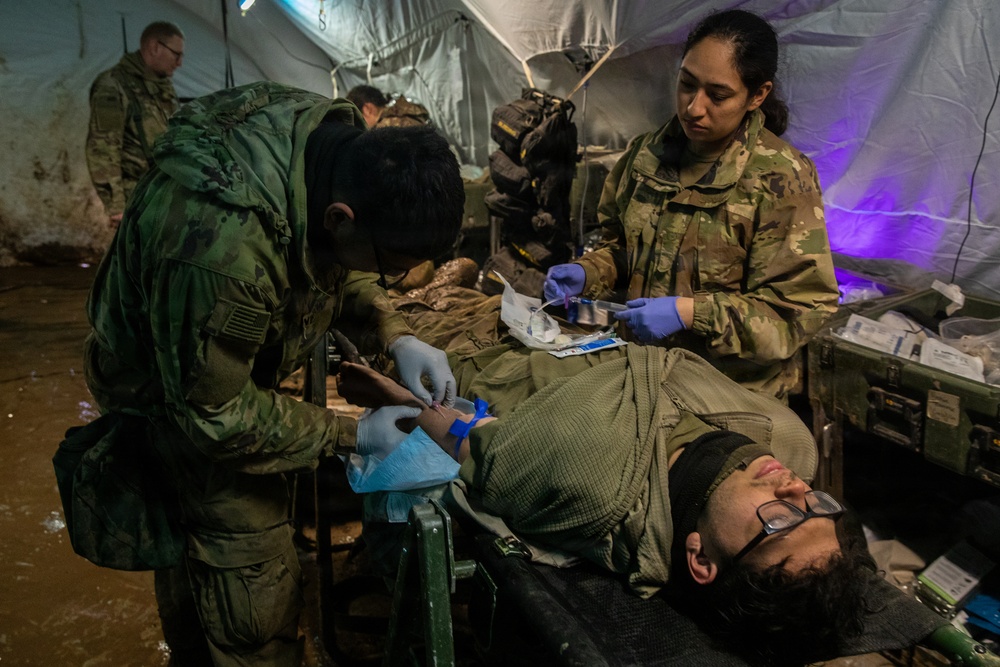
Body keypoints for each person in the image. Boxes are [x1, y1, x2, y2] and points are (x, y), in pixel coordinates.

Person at [82, 81, 465, 665]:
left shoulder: (328, 145)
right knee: (253, 593)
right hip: (172, 394)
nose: (387, 278)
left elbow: (336, 262)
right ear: (341, 218)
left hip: (202, 361)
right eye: (391, 267)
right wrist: (350, 435)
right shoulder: (221, 249)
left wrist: (395, 331)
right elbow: (215, 413)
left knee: (209, 566)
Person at [335, 345, 878, 665]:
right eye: (817, 504)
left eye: (781, 522)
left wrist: (395, 395)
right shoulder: (791, 444)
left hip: (503, 365)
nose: (793, 490)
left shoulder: (592, 479)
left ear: (701, 559)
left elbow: (462, 434)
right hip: (579, 344)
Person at [543, 9, 839, 400]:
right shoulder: (645, 156)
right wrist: (588, 270)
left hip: (728, 396)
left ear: (758, 95)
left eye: (718, 96)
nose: (694, 107)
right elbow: (624, 250)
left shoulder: (779, 180)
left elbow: (795, 313)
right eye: (686, 84)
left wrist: (690, 313)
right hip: (640, 375)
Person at [86, 21, 185, 227]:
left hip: (164, 194)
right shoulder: (113, 86)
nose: (179, 63)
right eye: (176, 55)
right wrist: (117, 208)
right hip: (137, 202)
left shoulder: (161, 86)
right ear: (155, 47)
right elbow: (103, 149)